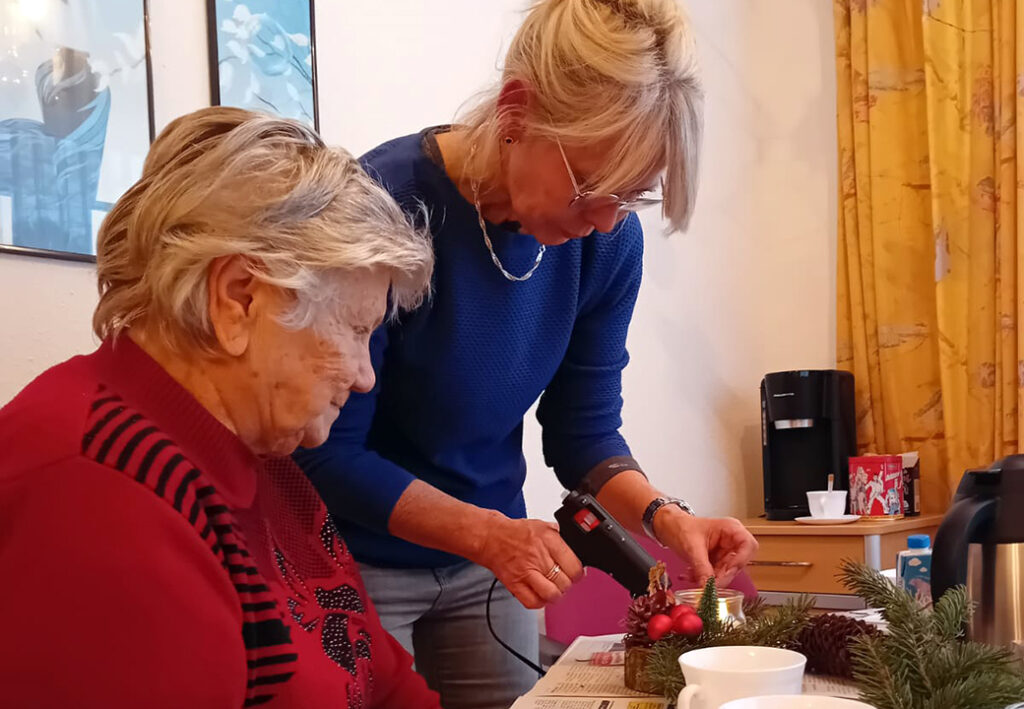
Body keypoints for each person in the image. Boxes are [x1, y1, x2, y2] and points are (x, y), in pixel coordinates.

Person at [294, 1, 759, 707]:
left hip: (492, 563)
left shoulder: (604, 244)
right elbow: (325, 451)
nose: (605, 221)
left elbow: (584, 435)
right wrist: (487, 533)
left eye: (631, 197)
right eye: (593, 187)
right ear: (517, 113)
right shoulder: (384, 205)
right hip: (358, 552)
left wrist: (668, 517)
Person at [0, 107, 441, 709]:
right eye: (357, 329)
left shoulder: (262, 455)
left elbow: (384, 680)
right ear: (239, 299)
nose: (365, 378)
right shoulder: (94, 494)